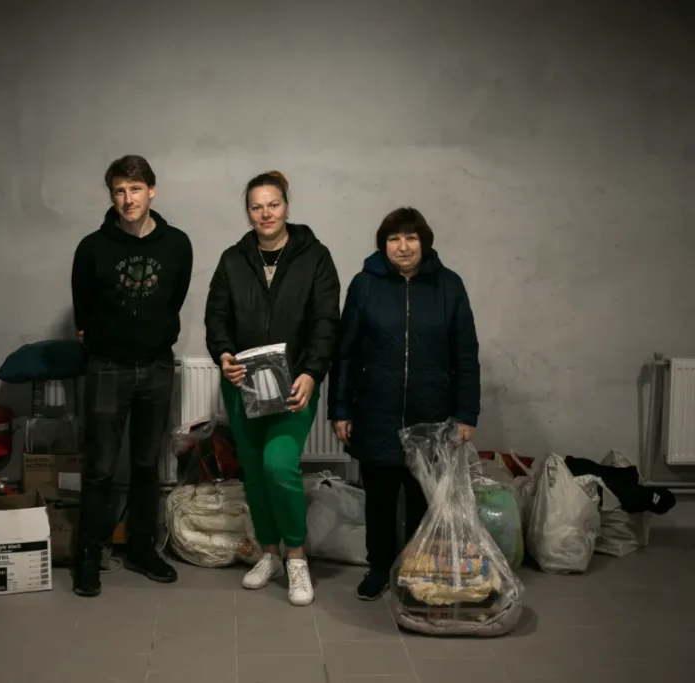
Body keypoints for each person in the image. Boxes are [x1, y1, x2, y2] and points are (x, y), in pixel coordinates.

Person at [328, 207, 480, 601]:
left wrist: (466, 414)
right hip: (376, 411)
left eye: (411, 238)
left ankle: (414, 568)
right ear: (384, 246)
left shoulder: (449, 286)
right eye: (394, 239)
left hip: (430, 415)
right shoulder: (364, 285)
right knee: (378, 499)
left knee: (421, 497)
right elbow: (344, 353)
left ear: (424, 242)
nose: (403, 246)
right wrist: (341, 409)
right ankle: (379, 567)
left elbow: (466, 353)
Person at [204, 170, 341, 606]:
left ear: (287, 206)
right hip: (244, 384)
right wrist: (224, 354)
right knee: (255, 473)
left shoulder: (315, 257)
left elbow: (325, 322)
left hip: (294, 383)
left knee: (279, 464)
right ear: (248, 212)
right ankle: (269, 554)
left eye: (273, 204)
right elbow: (217, 318)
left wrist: (311, 373)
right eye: (256, 206)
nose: (265, 213)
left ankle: (296, 557)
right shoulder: (232, 259)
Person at [70, 154, 194, 597]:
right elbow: (82, 315)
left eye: (136, 189)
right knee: (100, 466)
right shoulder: (92, 248)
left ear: (152, 190)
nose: (128, 199)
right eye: (120, 191)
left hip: (158, 365)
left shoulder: (177, 244)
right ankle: (89, 553)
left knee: (145, 464)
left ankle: (142, 548)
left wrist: (148, 337)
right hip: (107, 367)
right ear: (112, 196)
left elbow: (173, 299)